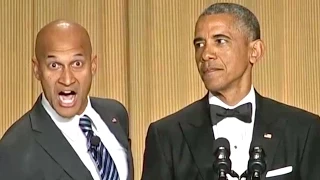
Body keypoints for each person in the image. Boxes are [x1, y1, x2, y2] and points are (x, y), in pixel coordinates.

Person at [141, 2, 320, 180]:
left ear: (254, 51)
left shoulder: (304, 130)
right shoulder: (167, 135)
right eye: (199, 44)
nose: (205, 55)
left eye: (220, 41)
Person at [0, 19, 133, 180]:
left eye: (77, 63)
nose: (67, 79)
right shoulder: (14, 149)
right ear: (37, 69)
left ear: (93, 66)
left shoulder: (115, 114)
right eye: (54, 65)